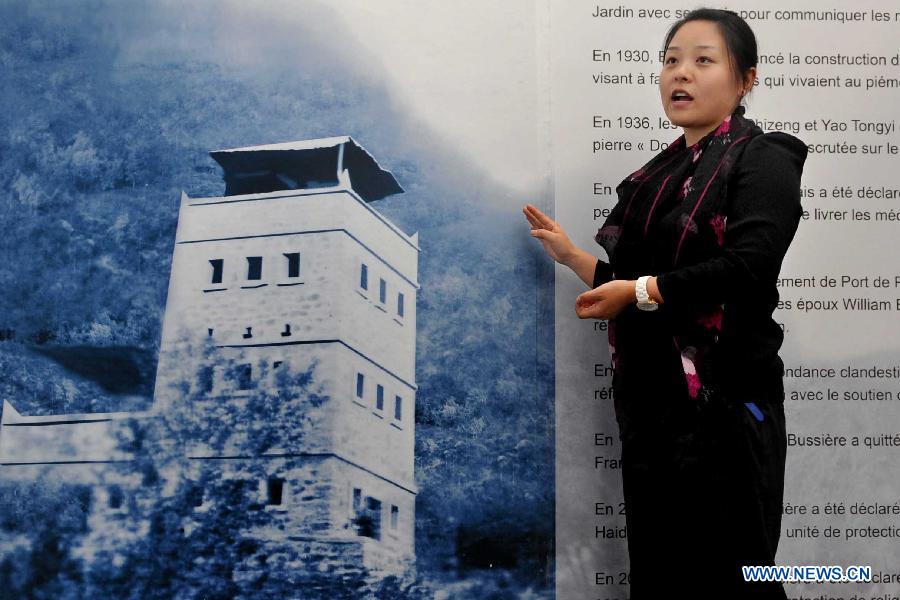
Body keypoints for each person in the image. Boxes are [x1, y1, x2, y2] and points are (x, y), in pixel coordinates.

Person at [524, 8, 807, 599]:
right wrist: (573, 258)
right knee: (660, 579)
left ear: (746, 79)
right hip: (653, 411)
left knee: (737, 578)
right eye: (671, 60)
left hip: (727, 408)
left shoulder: (764, 157)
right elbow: (641, 286)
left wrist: (639, 291)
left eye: (703, 60)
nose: (681, 73)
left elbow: (748, 266)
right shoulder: (658, 178)